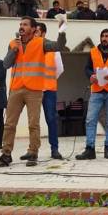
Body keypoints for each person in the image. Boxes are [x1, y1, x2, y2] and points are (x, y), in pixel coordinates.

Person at [0, 16, 67, 168]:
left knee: (33, 124)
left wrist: (61, 30)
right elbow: (6, 64)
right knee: (9, 123)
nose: (21, 26)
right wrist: (14, 49)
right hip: (16, 88)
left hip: (34, 89)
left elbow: (59, 46)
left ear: (33, 29)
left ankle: (33, 152)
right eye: (20, 24)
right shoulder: (13, 43)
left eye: (25, 24)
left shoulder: (41, 43)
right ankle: (6, 154)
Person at [75, 29, 108, 160]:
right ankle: (90, 149)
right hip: (97, 90)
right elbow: (87, 68)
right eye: (102, 36)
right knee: (90, 120)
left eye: (107, 36)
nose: (104, 38)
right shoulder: (93, 52)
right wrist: (90, 75)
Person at [38, 22, 65, 160]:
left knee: (51, 119)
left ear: (43, 33)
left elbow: (60, 70)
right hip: (34, 90)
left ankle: (55, 149)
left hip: (49, 90)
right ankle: (33, 150)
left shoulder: (53, 49)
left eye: (37, 31)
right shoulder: (30, 48)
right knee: (33, 121)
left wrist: (48, 80)